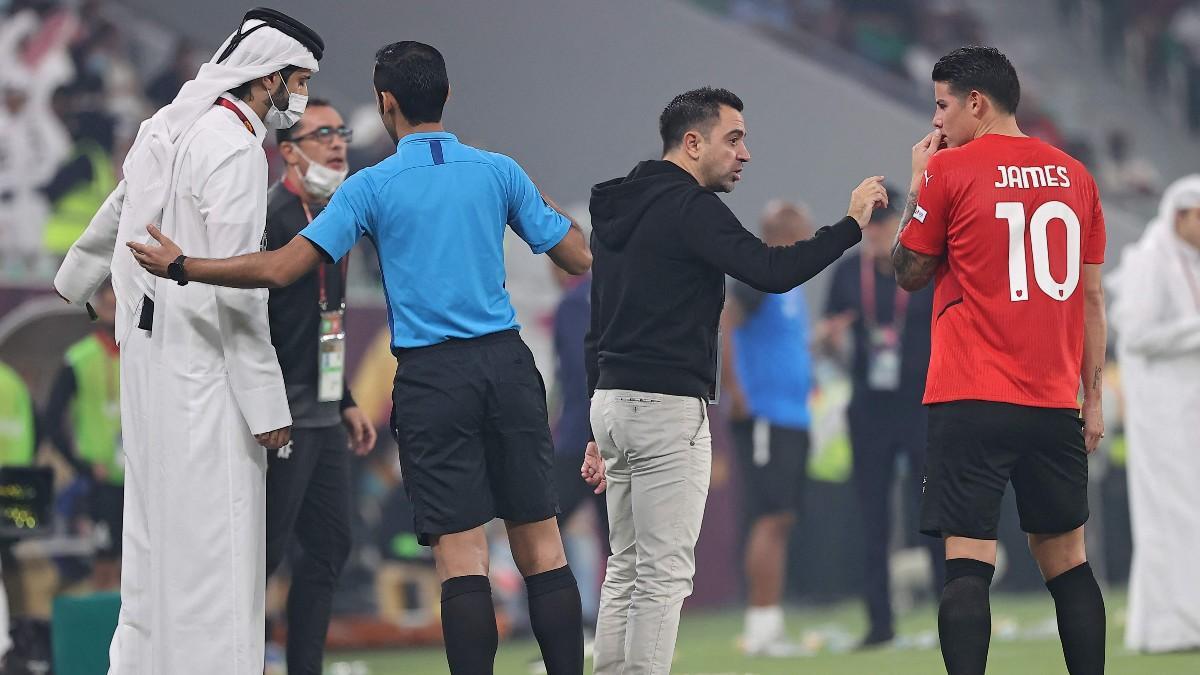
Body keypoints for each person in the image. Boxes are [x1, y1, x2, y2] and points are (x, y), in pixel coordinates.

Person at [127, 41, 592, 675]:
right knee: (543, 544)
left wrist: (184, 265)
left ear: (385, 103)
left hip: (433, 377)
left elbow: (283, 267)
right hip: (507, 366)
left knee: (461, 557)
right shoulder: (498, 171)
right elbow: (576, 255)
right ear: (448, 97)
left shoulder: (369, 187)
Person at [52, 8, 324, 673]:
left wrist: (78, 279)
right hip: (204, 373)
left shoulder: (168, 126)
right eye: (299, 80)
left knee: (153, 545)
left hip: (147, 364)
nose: (301, 97)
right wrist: (266, 406)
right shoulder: (232, 147)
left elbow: (120, 207)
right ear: (268, 77)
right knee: (218, 549)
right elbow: (239, 284)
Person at [581, 86, 887, 675]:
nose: (745, 153)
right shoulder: (688, 207)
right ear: (692, 143)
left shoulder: (619, 205)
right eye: (734, 138)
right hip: (665, 404)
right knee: (664, 572)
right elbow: (771, 271)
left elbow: (600, 318)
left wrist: (600, 415)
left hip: (613, 399)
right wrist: (850, 224)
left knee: (627, 564)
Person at [891, 46, 1107, 675]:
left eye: (942, 105)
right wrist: (1091, 400)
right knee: (1069, 563)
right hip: (1051, 402)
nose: (937, 123)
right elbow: (1092, 299)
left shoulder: (949, 172)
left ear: (976, 103)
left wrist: (916, 182)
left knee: (967, 564)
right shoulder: (1077, 175)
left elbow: (908, 272)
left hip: (971, 397)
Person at [263, 98, 377, 674]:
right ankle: (241, 659)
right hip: (278, 414)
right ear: (288, 151)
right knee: (264, 553)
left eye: (341, 132)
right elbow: (249, 325)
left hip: (323, 412)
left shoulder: (336, 214)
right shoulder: (271, 217)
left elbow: (330, 318)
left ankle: (302, 666)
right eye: (321, 133)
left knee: (331, 544)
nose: (337, 143)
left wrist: (346, 400)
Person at [818, 188, 944, 647]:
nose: (875, 234)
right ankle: (879, 623)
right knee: (871, 518)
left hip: (921, 403)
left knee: (931, 511)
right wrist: (830, 338)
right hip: (869, 407)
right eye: (869, 225)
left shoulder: (923, 268)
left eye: (884, 223)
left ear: (901, 224)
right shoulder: (848, 273)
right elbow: (827, 339)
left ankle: (948, 617)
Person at [720, 200, 815, 657]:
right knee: (769, 516)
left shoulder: (789, 283)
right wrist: (736, 390)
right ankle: (760, 628)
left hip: (792, 416)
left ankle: (769, 622)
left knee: (782, 518)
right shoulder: (761, 276)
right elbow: (726, 319)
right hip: (765, 416)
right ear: (786, 230)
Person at [1112, 174, 1200, 653]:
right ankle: (1177, 626)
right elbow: (1139, 335)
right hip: (1161, 415)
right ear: (1182, 215)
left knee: (1188, 515)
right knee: (1172, 515)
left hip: (1189, 412)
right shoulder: (1150, 261)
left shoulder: (1192, 261)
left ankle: (1168, 624)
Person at [44, 280, 124, 591]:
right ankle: (105, 634)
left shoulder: (147, 354)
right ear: (97, 310)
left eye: (119, 305)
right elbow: (52, 420)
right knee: (104, 562)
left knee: (140, 560)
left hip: (142, 479)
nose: (114, 312)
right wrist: (83, 466)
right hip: (100, 483)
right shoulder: (79, 359)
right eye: (108, 305)